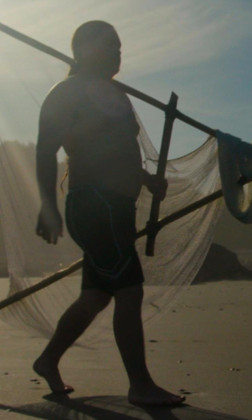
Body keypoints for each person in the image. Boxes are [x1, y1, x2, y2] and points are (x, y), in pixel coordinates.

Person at [33, 20, 184, 406]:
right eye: (109, 46)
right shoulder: (67, 92)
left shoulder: (115, 96)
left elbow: (114, 151)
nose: (118, 53)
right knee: (129, 290)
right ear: (83, 50)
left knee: (96, 297)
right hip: (92, 205)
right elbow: (46, 150)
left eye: (119, 46)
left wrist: (147, 179)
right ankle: (140, 385)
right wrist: (48, 205)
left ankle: (48, 360)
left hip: (118, 207)